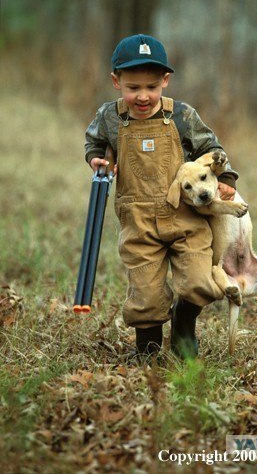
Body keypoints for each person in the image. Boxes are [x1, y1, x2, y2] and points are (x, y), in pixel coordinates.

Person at [85, 34, 238, 360]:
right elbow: (94, 142)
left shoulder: (181, 116)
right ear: (116, 81)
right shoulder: (110, 118)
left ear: (165, 80)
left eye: (151, 87)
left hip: (186, 217)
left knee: (199, 280)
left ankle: (184, 326)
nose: (143, 96)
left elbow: (211, 148)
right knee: (146, 292)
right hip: (138, 222)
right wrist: (97, 158)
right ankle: (149, 348)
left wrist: (225, 178)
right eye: (133, 88)